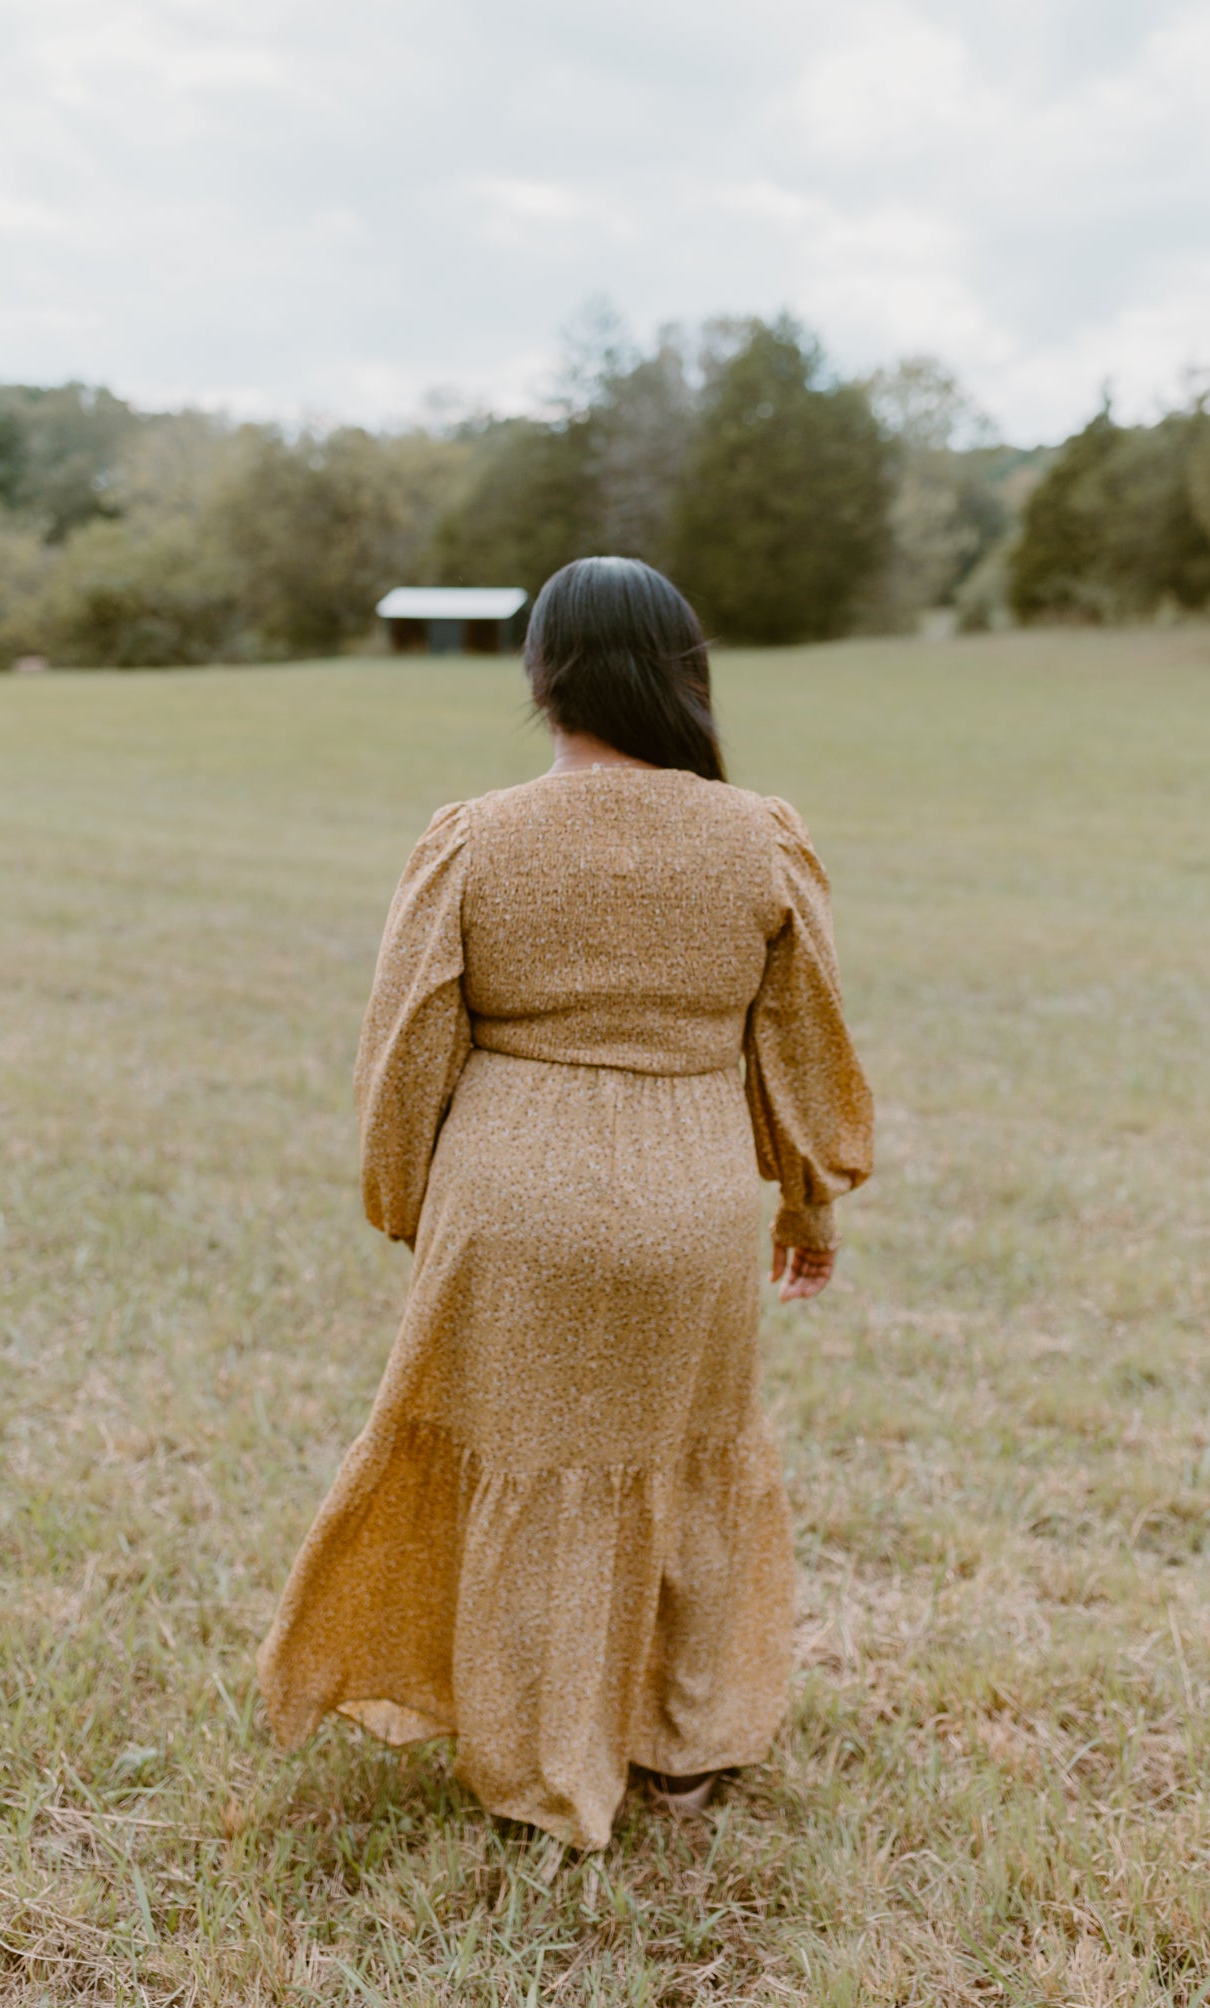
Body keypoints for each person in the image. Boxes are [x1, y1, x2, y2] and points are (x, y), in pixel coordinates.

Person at [257, 557, 873, 1849]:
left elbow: (408, 1043)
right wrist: (807, 1204)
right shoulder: (759, 833)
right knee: (692, 1453)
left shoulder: (474, 835)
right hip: (694, 1194)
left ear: (542, 677)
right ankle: (689, 1743)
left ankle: (542, 1770)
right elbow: (803, 1044)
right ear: (684, 671)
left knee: (531, 1473)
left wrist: (406, 1201)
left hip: (511, 1196)